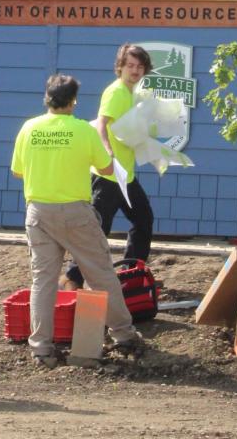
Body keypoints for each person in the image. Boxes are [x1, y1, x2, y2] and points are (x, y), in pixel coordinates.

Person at [11, 73, 144, 367]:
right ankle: (124, 335)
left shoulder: (28, 128)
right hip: (75, 212)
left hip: (38, 213)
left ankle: (41, 349)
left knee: (42, 281)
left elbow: (18, 171)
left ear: (47, 98)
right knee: (100, 273)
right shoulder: (84, 131)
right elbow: (107, 168)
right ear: (73, 101)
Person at [64, 43, 154, 289]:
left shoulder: (135, 93)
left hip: (125, 175)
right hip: (108, 176)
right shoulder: (115, 92)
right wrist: (106, 150)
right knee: (96, 231)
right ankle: (73, 278)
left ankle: (132, 275)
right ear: (120, 67)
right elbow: (101, 124)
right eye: (130, 66)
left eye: (139, 66)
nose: (135, 71)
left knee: (143, 219)